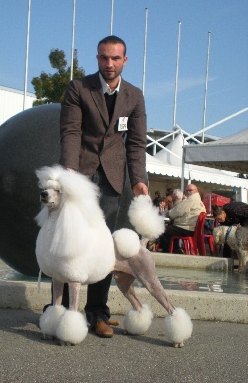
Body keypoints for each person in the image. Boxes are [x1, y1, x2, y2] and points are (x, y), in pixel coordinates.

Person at [59, 35, 148, 338]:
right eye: (103, 58)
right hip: (80, 173)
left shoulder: (134, 96)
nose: (108, 64)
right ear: (96, 58)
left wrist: (138, 180)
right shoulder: (79, 88)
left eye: (115, 58)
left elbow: (135, 143)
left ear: (125, 60)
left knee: (102, 247)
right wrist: (69, 172)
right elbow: (71, 131)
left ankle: (97, 313)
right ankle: (61, 311)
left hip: (112, 178)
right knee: (68, 241)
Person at [158, 184, 205, 253]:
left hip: (186, 228)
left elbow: (177, 211)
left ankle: (168, 250)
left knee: (162, 229)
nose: (188, 192)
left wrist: (167, 213)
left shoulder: (191, 200)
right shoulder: (199, 201)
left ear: (196, 191)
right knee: (171, 229)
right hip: (191, 228)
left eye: (190, 190)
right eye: (187, 191)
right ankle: (176, 249)